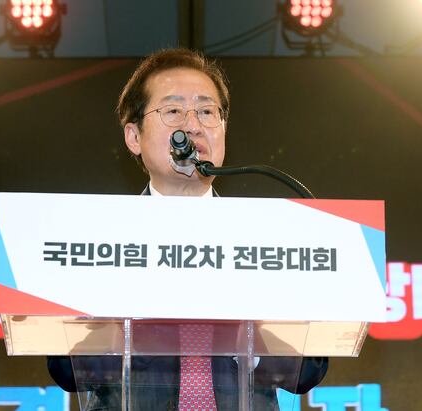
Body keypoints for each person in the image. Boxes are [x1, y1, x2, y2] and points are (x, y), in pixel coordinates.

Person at [48, 48, 328, 410]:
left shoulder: (265, 240)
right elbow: (67, 367)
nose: (193, 126)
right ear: (133, 136)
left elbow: (308, 369)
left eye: (207, 112)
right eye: (173, 111)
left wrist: (246, 337)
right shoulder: (99, 242)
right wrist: (138, 325)